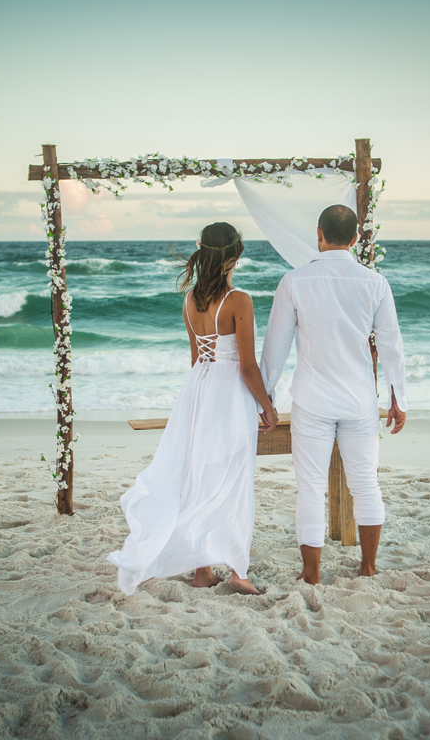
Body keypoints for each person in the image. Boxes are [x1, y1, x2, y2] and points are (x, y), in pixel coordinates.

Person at [108, 222, 278, 596]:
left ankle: (202, 571)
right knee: (233, 479)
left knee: (197, 477)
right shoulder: (239, 300)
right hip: (228, 394)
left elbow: (196, 359)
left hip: (198, 391)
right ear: (232, 256)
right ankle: (238, 572)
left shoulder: (189, 301)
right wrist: (267, 406)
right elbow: (247, 366)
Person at [259, 204, 408, 585]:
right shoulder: (375, 282)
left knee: (309, 488)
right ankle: (368, 566)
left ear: (318, 235)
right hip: (359, 400)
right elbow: (392, 345)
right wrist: (398, 399)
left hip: (312, 399)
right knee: (365, 483)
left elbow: (275, 346)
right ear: (356, 239)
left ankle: (311, 575)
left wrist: (266, 398)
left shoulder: (294, 281)